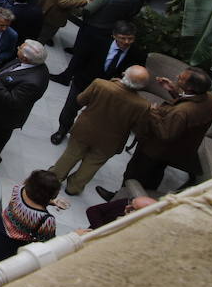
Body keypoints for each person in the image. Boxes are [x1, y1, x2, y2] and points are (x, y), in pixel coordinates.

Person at [104, 66, 212, 195]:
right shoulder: (211, 99)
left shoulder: (182, 112)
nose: (177, 77)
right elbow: (188, 108)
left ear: (190, 87)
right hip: (174, 151)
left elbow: (165, 133)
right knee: (154, 176)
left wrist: (152, 112)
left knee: (134, 175)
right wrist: (174, 91)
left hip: (154, 150)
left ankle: (119, 201)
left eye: (181, 79)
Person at [49, 65, 152, 195]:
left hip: (84, 130)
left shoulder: (100, 84)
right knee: (92, 165)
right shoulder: (143, 105)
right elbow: (138, 128)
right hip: (110, 141)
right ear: (142, 86)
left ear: (124, 73)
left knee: (70, 154)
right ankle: (74, 188)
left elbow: (80, 100)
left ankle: (54, 178)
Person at [0, 171, 64, 281]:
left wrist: (50, 202)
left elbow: (29, 201)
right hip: (11, 245)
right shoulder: (46, 220)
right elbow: (47, 242)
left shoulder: (19, 189)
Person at [0, 40, 50, 167]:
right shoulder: (27, 61)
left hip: (6, 116)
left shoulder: (34, 82)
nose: (17, 48)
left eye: (20, 48)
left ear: (25, 58)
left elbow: (13, 101)